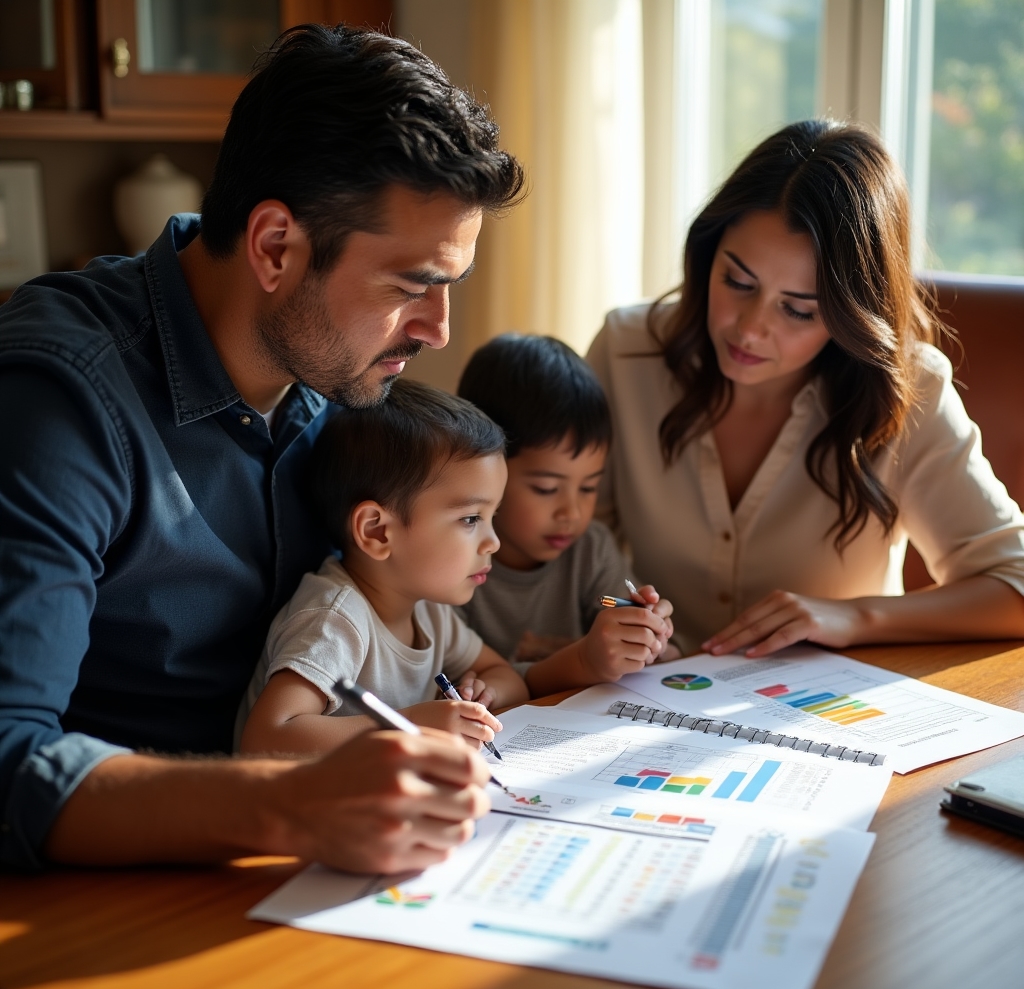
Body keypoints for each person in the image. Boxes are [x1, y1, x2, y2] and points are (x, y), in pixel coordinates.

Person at [0, 24, 524, 871]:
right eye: (409, 287)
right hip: (100, 899)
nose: (436, 330)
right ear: (275, 246)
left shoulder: (334, 370)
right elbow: (9, 765)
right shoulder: (60, 400)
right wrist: (290, 804)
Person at [588, 119, 1024, 659]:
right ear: (707, 256)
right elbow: (564, 557)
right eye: (737, 282)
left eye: (798, 309)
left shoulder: (912, 390)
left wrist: (852, 616)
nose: (749, 328)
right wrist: (615, 615)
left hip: (833, 716)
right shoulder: (625, 352)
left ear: (850, 316)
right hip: (649, 702)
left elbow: (1015, 584)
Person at [237, 379, 528, 756]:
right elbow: (268, 738)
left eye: (493, 515)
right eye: (471, 519)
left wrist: (483, 695)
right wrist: (412, 727)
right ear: (377, 531)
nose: (494, 542)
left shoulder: (428, 611)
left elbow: (506, 677)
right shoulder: (335, 618)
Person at [456, 333, 675, 694]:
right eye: (546, 488)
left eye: (589, 488)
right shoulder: (450, 562)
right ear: (484, 469)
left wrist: (652, 638)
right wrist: (579, 660)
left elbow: (646, 645)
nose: (571, 512)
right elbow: (453, 683)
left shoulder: (590, 550)